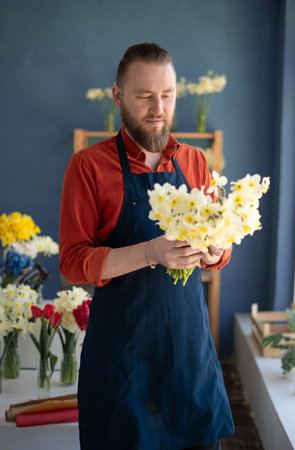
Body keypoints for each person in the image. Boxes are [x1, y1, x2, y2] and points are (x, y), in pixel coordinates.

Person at [59, 42, 234, 450]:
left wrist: (215, 252)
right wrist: (150, 253)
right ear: (119, 96)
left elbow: (220, 246)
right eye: (144, 96)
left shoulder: (195, 162)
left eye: (167, 96)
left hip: (190, 357)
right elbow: (72, 261)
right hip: (123, 362)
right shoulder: (88, 166)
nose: (158, 108)